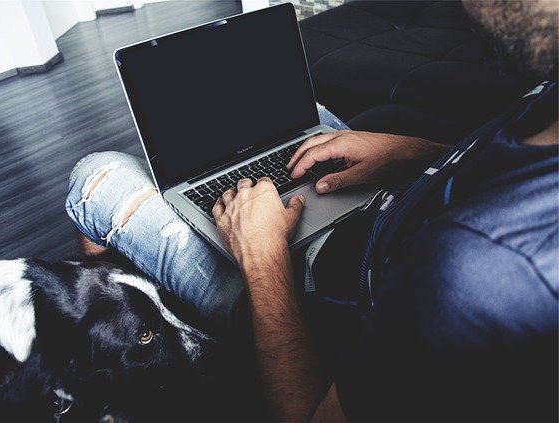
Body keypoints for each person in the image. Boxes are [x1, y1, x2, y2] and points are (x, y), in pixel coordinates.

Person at [66, 1, 558, 420]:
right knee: (303, 123)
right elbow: (494, 167)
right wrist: (415, 151)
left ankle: (122, 330)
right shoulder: (549, 95)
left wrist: (261, 257)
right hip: (384, 207)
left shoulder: (476, 273)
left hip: (308, 293)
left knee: (96, 174)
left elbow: (308, 413)